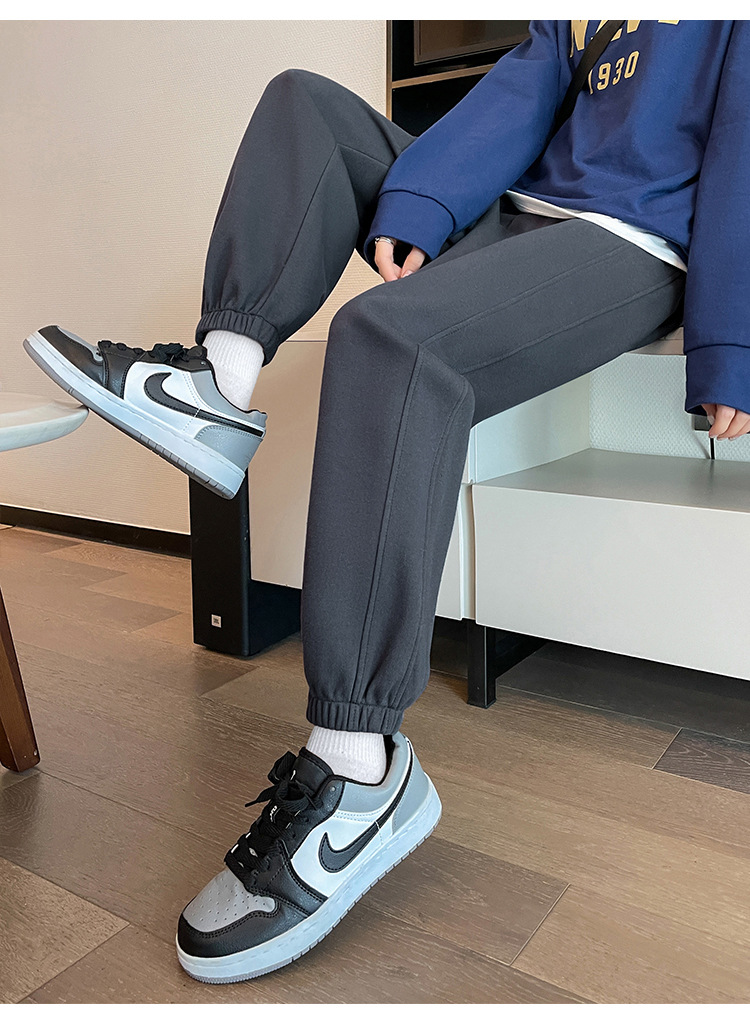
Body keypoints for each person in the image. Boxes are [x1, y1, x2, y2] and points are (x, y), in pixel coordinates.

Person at [22, 19, 750, 984]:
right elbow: (511, 106)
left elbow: (744, 144)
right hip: (523, 211)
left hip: (635, 242)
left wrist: (731, 341)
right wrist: (419, 201)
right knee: (304, 102)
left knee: (387, 338)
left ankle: (357, 764)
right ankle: (216, 385)